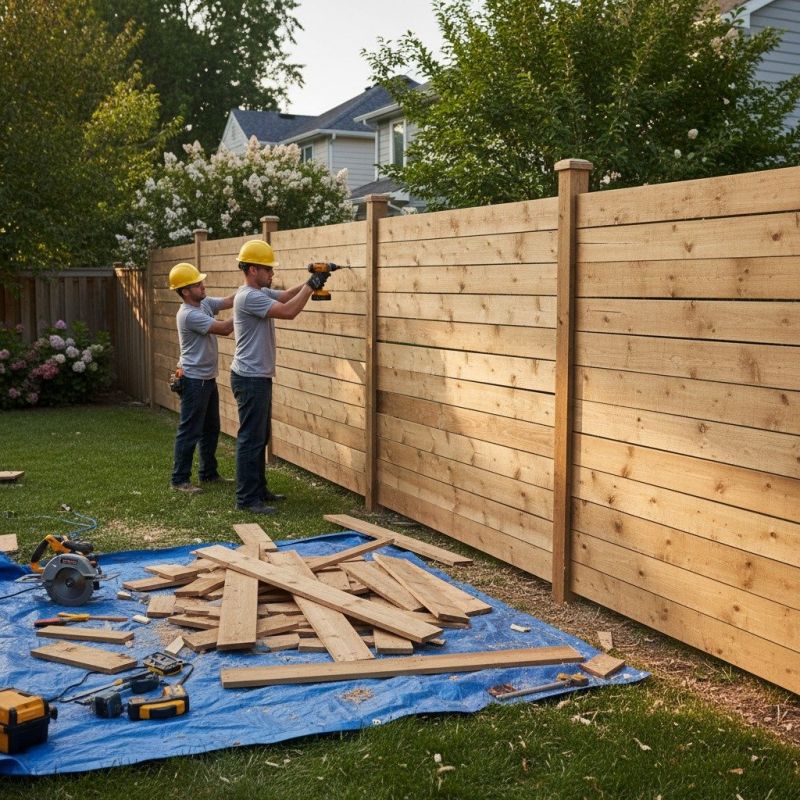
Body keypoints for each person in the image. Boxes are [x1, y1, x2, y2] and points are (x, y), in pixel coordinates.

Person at [230, 239, 331, 514]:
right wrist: (312, 286)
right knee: (251, 438)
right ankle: (247, 499)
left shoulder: (258, 293)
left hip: (255, 376)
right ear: (252, 270)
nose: (271, 274)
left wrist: (311, 280)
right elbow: (289, 311)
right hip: (250, 377)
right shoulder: (249, 297)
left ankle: (258, 491)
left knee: (260, 436)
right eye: (267, 269)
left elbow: (286, 296)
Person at [168, 262, 235, 493]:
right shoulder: (188, 315)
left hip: (206, 378)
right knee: (190, 430)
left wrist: (250, 293)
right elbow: (225, 328)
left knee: (211, 428)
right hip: (194, 380)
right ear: (185, 291)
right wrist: (248, 310)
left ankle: (208, 473)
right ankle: (179, 480)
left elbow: (228, 301)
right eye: (197, 283)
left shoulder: (203, 302)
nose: (202, 285)